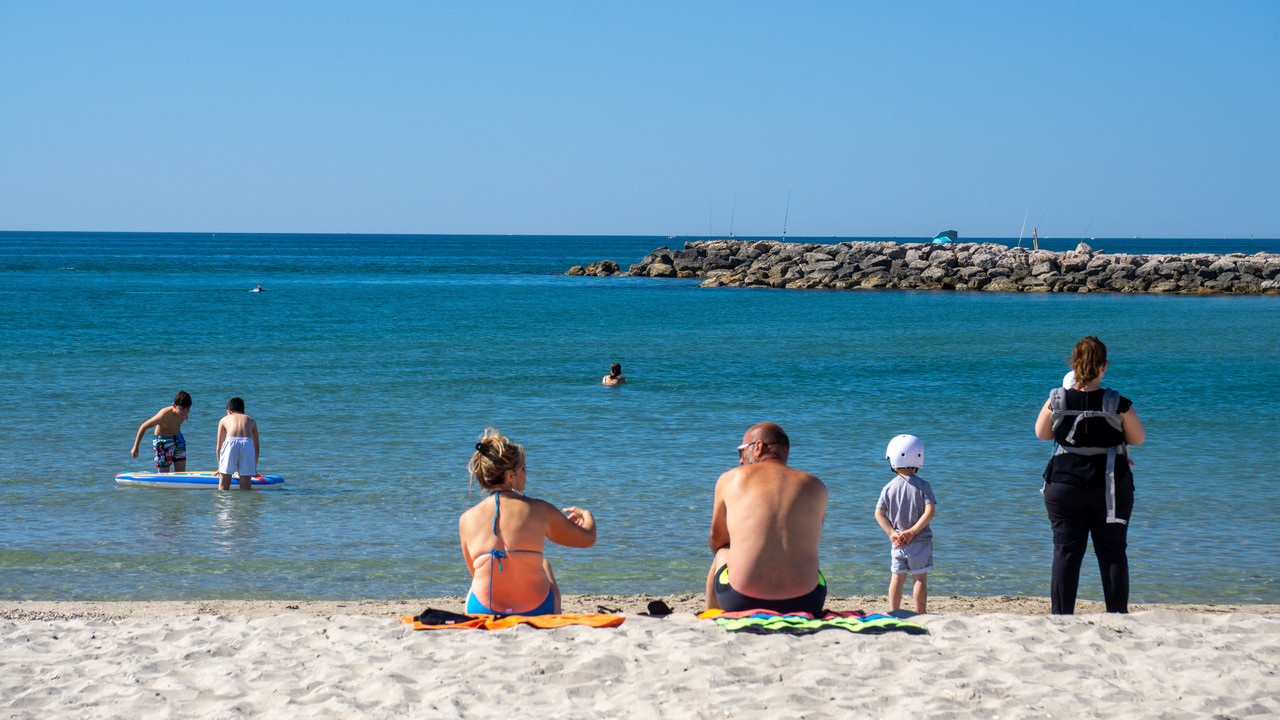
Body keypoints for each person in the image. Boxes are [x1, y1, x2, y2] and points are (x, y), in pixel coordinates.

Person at [1035, 336, 1146, 614]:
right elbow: (1138, 438)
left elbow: (1042, 434)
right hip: (1109, 486)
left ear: (1073, 364)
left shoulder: (1056, 400)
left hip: (1063, 484)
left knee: (1066, 552)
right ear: (1104, 366)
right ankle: (1117, 614)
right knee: (1112, 552)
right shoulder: (1117, 402)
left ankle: (1061, 616)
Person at [459, 428, 596, 615]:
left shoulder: (466, 520)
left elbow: (475, 572)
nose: (526, 472)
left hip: (483, 610)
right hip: (536, 609)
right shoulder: (540, 510)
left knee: (480, 575)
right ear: (510, 476)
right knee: (544, 564)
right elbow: (588, 539)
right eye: (523, 468)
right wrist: (587, 516)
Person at [706, 422, 828, 615]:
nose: (740, 461)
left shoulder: (731, 478)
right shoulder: (816, 485)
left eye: (741, 451)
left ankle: (712, 615)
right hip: (808, 601)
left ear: (758, 447)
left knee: (723, 552)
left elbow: (717, 538)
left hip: (740, 600)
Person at [875, 434, 937, 614]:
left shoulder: (888, 488)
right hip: (920, 542)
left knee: (897, 579)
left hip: (898, 542)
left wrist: (891, 533)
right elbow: (930, 511)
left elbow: (879, 514)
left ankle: (894, 612)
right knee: (919, 579)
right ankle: (920, 614)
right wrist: (914, 531)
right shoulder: (924, 486)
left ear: (892, 462)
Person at [130, 391, 193, 473]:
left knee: (181, 473)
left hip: (178, 438)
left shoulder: (184, 413)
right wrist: (136, 446)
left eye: (187, 408)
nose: (185, 411)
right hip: (162, 441)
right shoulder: (163, 415)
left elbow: (182, 417)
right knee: (164, 474)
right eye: (182, 409)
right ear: (174, 405)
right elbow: (143, 427)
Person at [215, 397, 260, 491]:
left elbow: (219, 447)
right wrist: (254, 470)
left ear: (229, 412)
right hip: (247, 444)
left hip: (231, 443)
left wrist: (220, 467)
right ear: (243, 412)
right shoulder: (251, 420)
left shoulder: (224, 419)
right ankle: (245, 505)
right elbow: (256, 448)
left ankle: (223, 504)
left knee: (224, 483)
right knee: (246, 485)